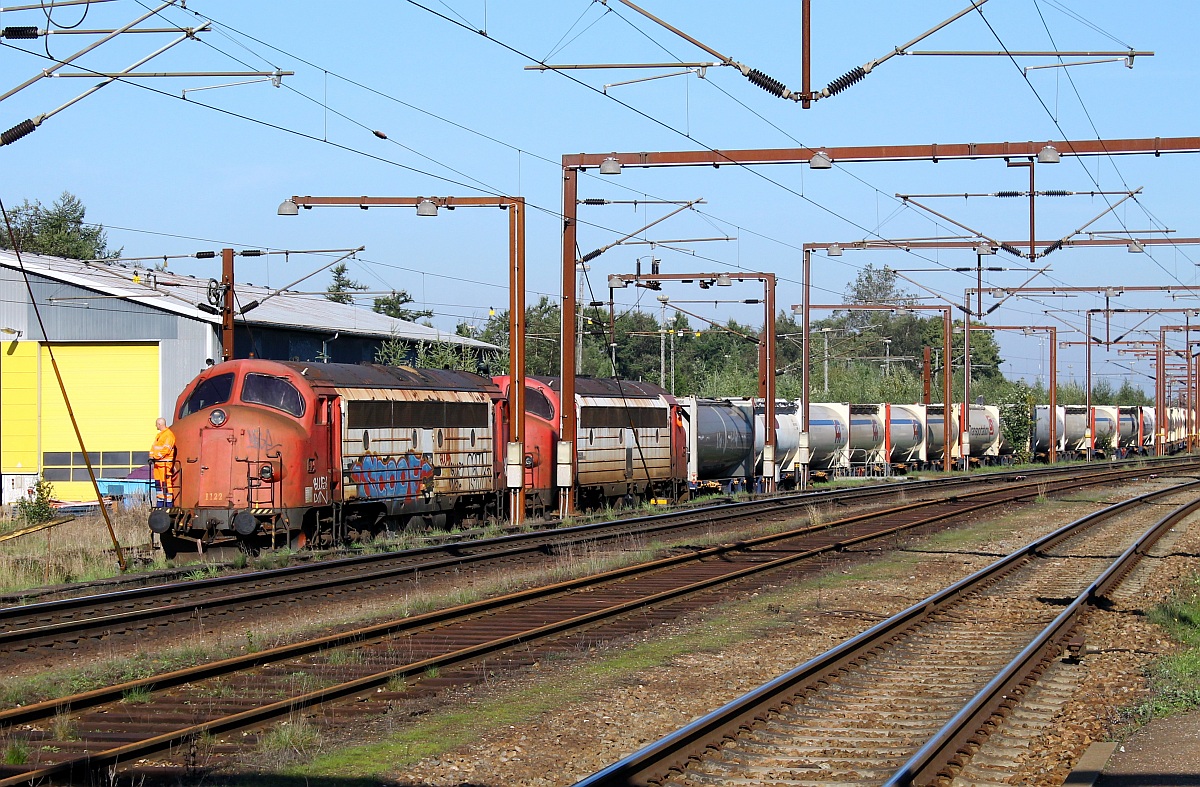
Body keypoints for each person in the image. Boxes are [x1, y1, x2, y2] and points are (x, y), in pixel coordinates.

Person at [150, 417, 178, 508]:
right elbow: (153, 447)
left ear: (159, 424)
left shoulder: (169, 435)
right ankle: (160, 503)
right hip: (158, 464)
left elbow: (166, 449)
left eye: (156, 424)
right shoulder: (159, 435)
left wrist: (155, 456)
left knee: (166, 484)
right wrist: (151, 456)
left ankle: (168, 504)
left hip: (165, 464)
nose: (155, 426)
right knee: (158, 484)